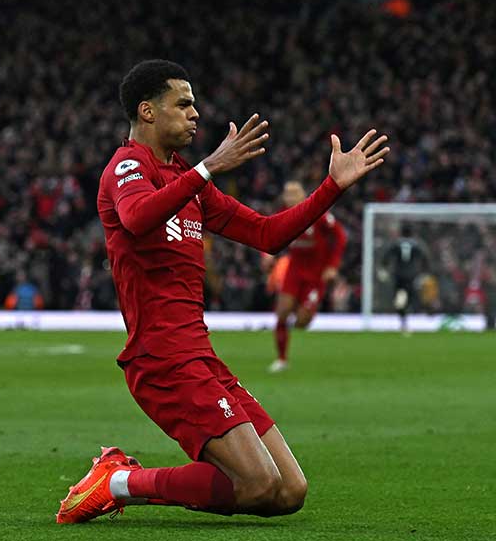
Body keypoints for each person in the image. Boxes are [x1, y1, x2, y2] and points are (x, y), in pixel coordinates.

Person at [56, 59, 389, 524]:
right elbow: (136, 218)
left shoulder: (188, 182)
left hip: (200, 356)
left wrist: (331, 187)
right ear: (148, 111)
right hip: (161, 358)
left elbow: (269, 235)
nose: (195, 113)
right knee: (256, 485)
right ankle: (116, 482)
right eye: (184, 103)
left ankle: (121, 479)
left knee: (289, 491)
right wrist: (208, 168)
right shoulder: (126, 167)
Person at [268, 180, 347, 372]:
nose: (290, 197)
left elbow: (340, 236)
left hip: (316, 274)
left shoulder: (317, 214)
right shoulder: (282, 214)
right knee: (282, 313)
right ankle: (281, 359)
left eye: (294, 193)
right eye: (287, 193)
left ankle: (302, 308)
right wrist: (266, 254)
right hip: (294, 271)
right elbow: (267, 233)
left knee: (302, 322)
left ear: (303, 195)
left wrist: (332, 266)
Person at [381, 224, 431, 334]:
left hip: (399, 275)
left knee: (400, 299)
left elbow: (386, 257)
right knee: (412, 298)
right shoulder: (417, 244)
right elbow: (425, 259)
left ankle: (404, 321)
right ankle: (418, 315)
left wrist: (384, 269)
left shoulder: (396, 243)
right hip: (412, 275)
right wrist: (425, 273)